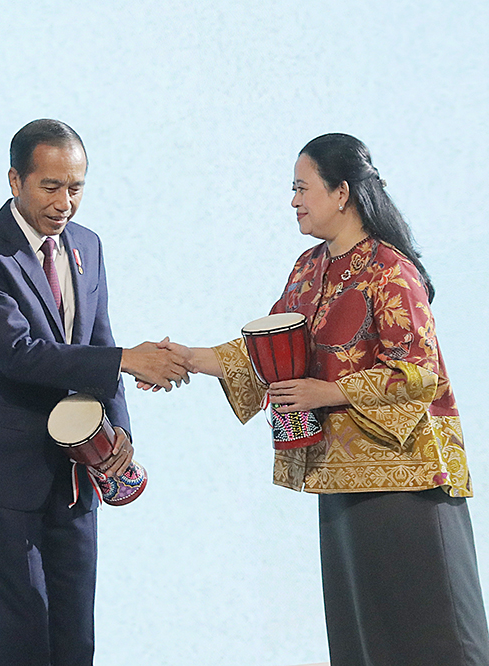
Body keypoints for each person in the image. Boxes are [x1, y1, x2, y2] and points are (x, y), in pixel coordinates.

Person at [156, 133, 489, 665]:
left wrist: (329, 390)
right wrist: (187, 358)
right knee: (362, 638)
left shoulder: (391, 271)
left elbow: (421, 374)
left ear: (342, 192)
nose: (293, 201)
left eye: (301, 188)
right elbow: (267, 353)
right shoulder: (308, 270)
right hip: (338, 478)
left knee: (432, 636)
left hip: (409, 484)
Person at [0, 118, 189, 665]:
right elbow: (17, 353)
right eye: (49, 187)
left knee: (76, 641)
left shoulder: (88, 245)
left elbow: (99, 339)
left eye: (75, 187)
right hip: (3, 473)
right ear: (15, 181)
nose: (64, 203)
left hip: (78, 472)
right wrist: (127, 361)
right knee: (24, 637)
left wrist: (119, 432)